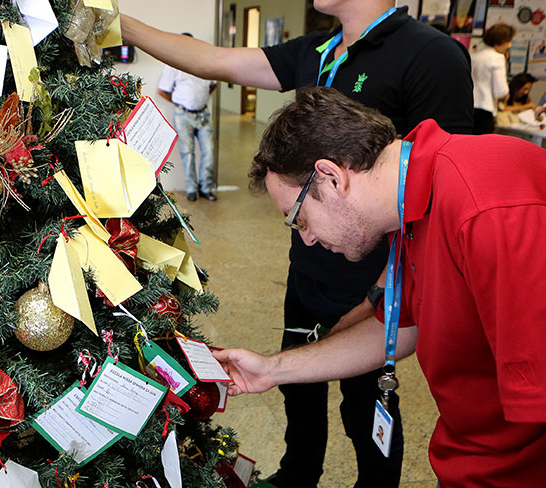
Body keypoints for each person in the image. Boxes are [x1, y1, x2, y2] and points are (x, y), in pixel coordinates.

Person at [121, 0, 473, 487]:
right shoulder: (320, 50)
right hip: (310, 264)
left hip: (379, 277)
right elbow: (214, 61)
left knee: (368, 409)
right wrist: (122, 23)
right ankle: (297, 473)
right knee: (298, 393)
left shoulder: (430, 57)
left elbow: (445, 186)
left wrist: (395, 287)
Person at [215, 86, 546, 487]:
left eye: (298, 219)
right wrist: (271, 368)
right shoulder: (409, 208)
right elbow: (397, 327)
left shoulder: (486, 209)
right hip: (469, 458)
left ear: (332, 177)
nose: (307, 239)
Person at [156, 34, 218, 202]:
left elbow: (213, 84)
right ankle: (191, 189)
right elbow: (163, 90)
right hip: (183, 115)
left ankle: (206, 188)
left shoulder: (204, 63)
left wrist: (200, 100)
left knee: (209, 151)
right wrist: (179, 103)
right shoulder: (174, 65)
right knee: (187, 153)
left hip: (203, 114)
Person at [471, 23, 514, 134]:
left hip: (469, 106)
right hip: (485, 108)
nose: (509, 45)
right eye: (508, 41)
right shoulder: (498, 58)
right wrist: (506, 95)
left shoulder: (474, 55)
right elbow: (500, 91)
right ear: (501, 40)